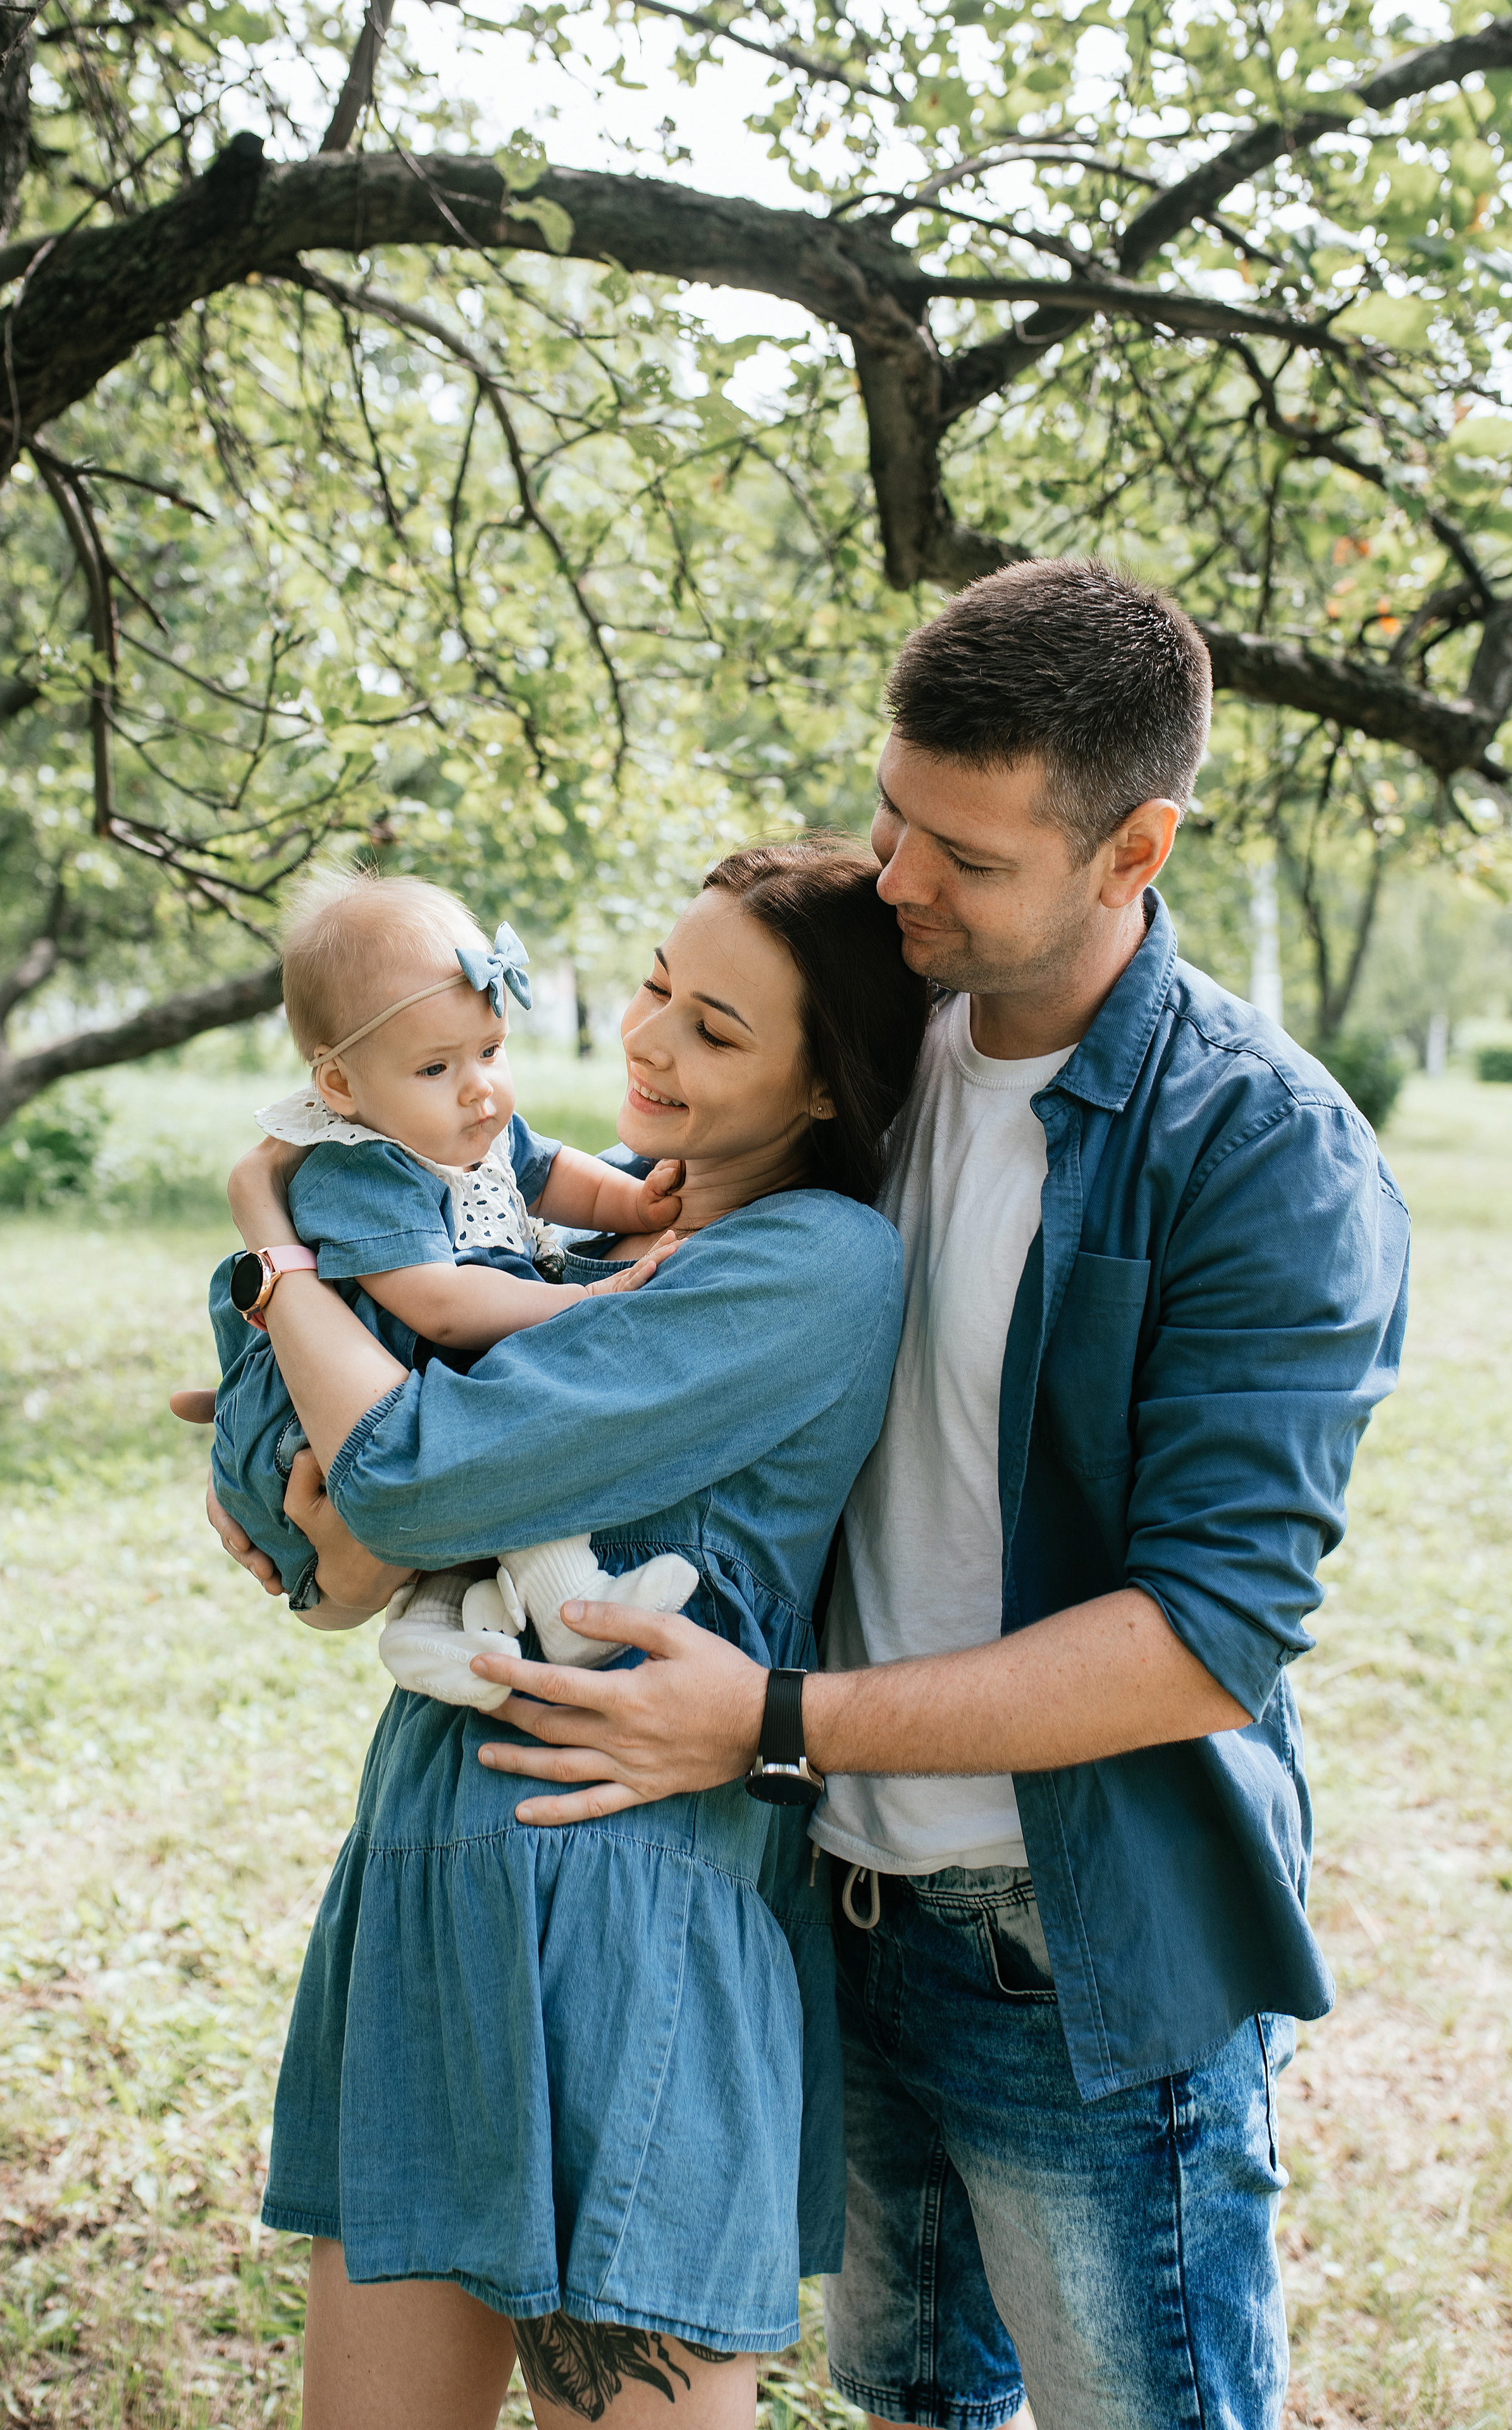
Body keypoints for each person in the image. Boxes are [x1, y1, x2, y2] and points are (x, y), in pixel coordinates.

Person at [457, 561, 1412, 2430]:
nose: (897, 879)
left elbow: (1204, 1643)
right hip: (834, 1912)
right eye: (894, 814)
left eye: (964, 856)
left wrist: (771, 1722)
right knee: (913, 2406)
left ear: (1134, 846)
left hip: (1071, 1963)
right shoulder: (870, 1053)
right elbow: (652, 1309)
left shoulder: (1263, 1154)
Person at [195, 839, 929, 2429]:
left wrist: (273, 1253)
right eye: (659, 988)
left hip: (627, 1905)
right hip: (428, 1864)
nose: (649, 1043)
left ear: (822, 1090)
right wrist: (313, 1505)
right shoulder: (565, 1242)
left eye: (717, 1030)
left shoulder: (808, 1266)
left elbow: (398, 1477)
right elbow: (335, 1575)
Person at [209, 864, 697, 1698]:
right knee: (495, 1425)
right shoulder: (362, 1169)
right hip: (312, 1433)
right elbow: (435, 1300)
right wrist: (576, 1302)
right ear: (340, 1085)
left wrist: (634, 1195)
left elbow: (546, 1173)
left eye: (492, 1050)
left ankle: (433, 1629)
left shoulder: (462, 1125)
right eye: (436, 1068)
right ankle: (569, 1604)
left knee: (484, 1423)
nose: (480, 1089)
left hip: (406, 1383)